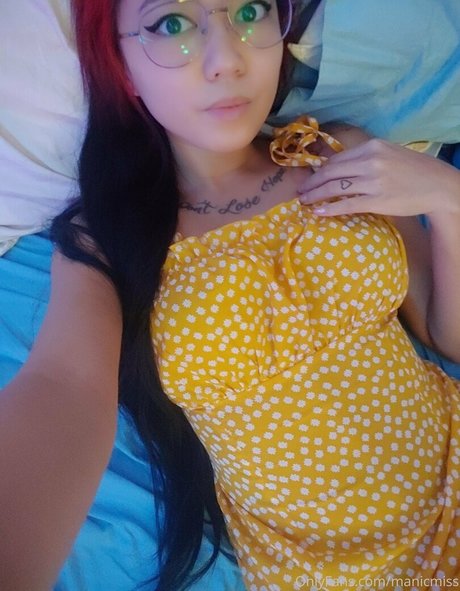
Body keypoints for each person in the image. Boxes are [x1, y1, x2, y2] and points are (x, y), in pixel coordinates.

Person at [1, 0, 460, 590]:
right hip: (332, 574)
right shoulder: (108, 236)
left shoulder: (334, 151)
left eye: (249, 11)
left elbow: (446, 335)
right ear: (121, 66)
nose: (227, 60)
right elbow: (64, 384)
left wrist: (447, 199)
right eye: (172, 24)